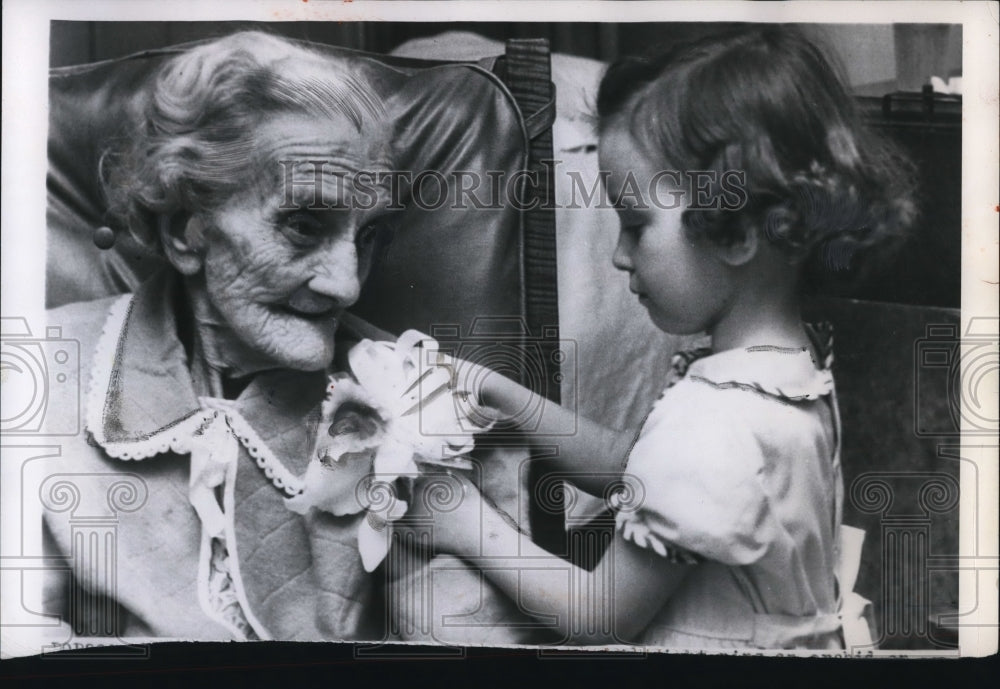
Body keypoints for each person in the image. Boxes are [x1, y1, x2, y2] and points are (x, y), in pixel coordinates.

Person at [412, 27, 915, 649]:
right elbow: (641, 470)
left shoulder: (713, 425)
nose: (619, 258)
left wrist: (464, 523)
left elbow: (599, 615)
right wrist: (507, 397)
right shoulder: (782, 370)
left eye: (635, 226)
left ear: (734, 234)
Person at [41, 31, 395, 642]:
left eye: (365, 237)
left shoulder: (410, 397)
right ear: (186, 231)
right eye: (304, 226)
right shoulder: (37, 373)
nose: (348, 287)